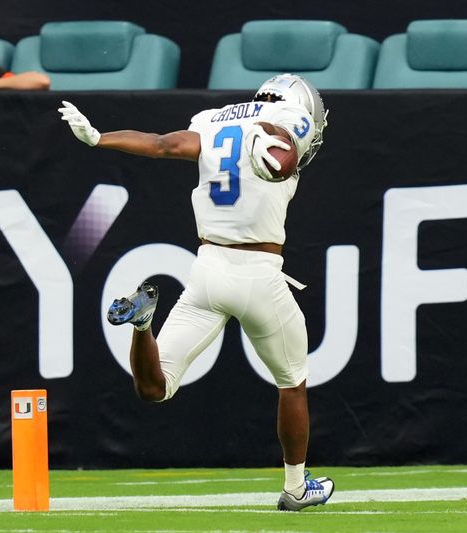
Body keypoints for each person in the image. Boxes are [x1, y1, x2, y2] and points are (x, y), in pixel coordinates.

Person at [58, 73, 334, 512]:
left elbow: (162, 145)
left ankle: (143, 324)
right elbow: (281, 160)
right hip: (260, 273)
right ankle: (297, 488)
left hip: (207, 270)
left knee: (154, 388)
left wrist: (98, 138)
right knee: (292, 385)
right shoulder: (289, 117)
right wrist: (271, 150)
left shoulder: (215, 118)